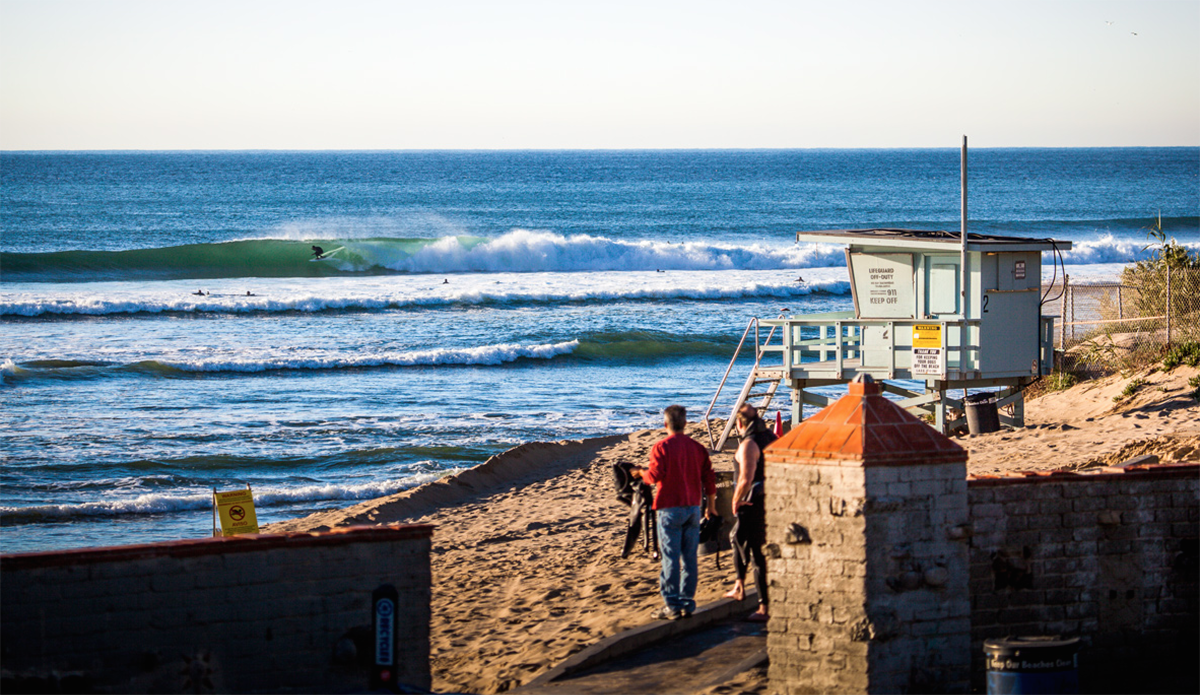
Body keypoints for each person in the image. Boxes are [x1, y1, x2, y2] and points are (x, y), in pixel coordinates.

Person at [631, 405, 717, 620]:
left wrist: (642, 473)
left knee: (670, 558)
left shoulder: (661, 447)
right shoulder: (697, 448)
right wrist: (711, 505)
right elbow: (709, 477)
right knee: (689, 558)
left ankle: (672, 604)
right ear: (685, 423)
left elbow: (655, 476)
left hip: (670, 507)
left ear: (665, 424)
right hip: (692, 507)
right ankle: (686, 603)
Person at [723, 403, 775, 622]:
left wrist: (736, 501)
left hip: (750, 502)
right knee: (738, 540)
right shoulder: (771, 437)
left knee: (751, 548)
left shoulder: (749, 444)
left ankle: (762, 606)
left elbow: (746, 478)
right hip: (767, 498)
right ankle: (740, 586)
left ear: (739, 423)